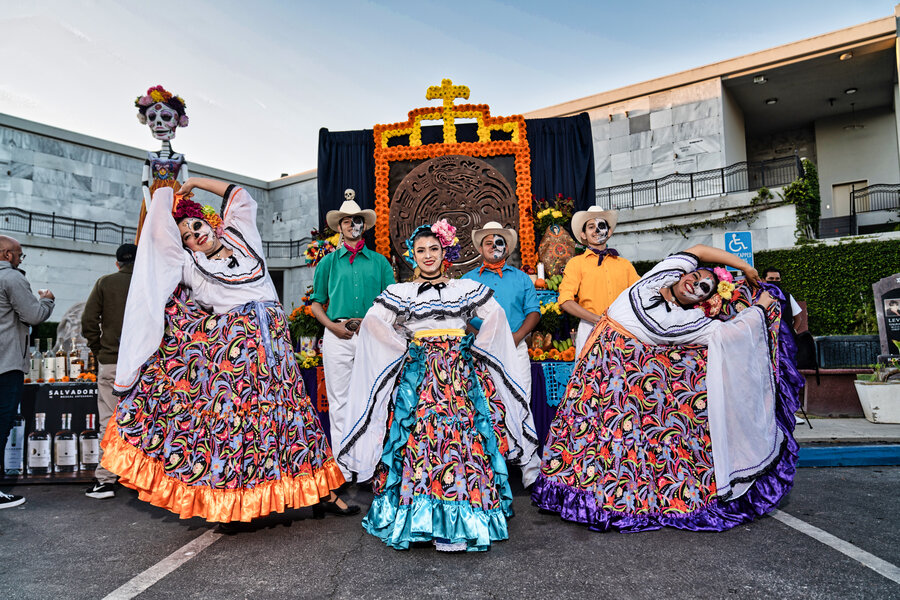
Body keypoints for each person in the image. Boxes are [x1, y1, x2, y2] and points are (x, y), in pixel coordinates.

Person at [103, 177, 357, 523]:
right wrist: (163, 200)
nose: (196, 236)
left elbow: (240, 197)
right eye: (188, 237)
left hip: (276, 353)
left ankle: (322, 491)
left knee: (293, 420)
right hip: (236, 361)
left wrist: (192, 182)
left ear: (209, 219)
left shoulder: (242, 235)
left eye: (196, 226)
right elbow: (158, 244)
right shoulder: (189, 266)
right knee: (235, 428)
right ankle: (229, 502)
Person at [532, 245, 802, 532]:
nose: (695, 284)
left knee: (618, 443)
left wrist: (760, 306)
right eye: (696, 276)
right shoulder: (660, 276)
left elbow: (729, 334)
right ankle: (572, 494)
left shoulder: (685, 320)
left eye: (704, 288)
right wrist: (744, 266)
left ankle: (610, 500)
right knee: (585, 431)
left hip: (624, 384)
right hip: (597, 370)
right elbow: (697, 250)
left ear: (702, 300)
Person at [338, 220, 539, 552]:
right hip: (421, 377)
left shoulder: (463, 289)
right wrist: (402, 346)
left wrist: (479, 347)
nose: (428, 256)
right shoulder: (400, 293)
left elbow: (496, 316)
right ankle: (425, 519)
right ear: (412, 256)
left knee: (463, 441)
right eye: (421, 251)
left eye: (434, 249)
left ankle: (465, 517)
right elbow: (375, 322)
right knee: (421, 442)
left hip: (460, 375)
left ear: (445, 252)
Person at [309, 190, 394, 471]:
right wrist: (332, 326)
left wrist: (375, 329)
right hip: (337, 335)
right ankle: (343, 467)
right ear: (340, 227)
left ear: (364, 226)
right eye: (347, 221)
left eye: (357, 220)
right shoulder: (327, 263)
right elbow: (316, 304)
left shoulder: (381, 263)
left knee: (375, 398)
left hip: (373, 336)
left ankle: (370, 464)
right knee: (340, 401)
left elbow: (392, 303)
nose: (352, 225)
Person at [0, 235, 54, 509]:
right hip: (6, 364)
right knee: (2, 424)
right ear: (7, 255)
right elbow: (33, 315)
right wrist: (47, 301)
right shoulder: (11, 278)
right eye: (20, 255)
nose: (21, 259)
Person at [81, 243, 137, 499]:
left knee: (110, 420)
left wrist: (99, 349)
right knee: (148, 422)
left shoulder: (105, 282)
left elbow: (88, 322)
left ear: (117, 263)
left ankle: (106, 480)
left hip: (112, 362)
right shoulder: (151, 283)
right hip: (148, 363)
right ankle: (146, 481)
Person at [462, 221, 540, 404]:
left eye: (499, 242)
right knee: (486, 403)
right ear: (480, 249)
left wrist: (517, 337)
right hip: (479, 349)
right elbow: (460, 316)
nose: (494, 246)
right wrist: (481, 336)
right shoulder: (467, 280)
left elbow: (534, 312)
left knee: (520, 401)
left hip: (516, 347)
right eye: (488, 243)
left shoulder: (522, 278)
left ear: (506, 248)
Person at [558, 207, 639, 357]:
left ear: (608, 232)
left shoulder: (625, 264)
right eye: (591, 227)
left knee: (621, 378)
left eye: (601, 226)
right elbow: (565, 300)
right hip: (590, 329)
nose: (596, 230)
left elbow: (640, 295)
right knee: (588, 378)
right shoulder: (576, 264)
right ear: (583, 234)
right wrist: (599, 320)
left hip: (623, 330)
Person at [763, 267, 803, 332]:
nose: (774, 281)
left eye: (777, 279)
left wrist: (793, 332)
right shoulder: (758, 296)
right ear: (764, 280)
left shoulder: (787, 296)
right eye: (771, 279)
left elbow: (798, 318)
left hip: (784, 338)